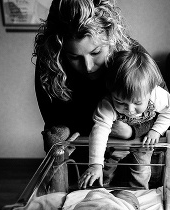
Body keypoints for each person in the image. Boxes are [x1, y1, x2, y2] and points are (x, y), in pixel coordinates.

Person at [34, 0, 149, 152]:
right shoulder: (50, 63)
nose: (88, 66)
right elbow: (53, 120)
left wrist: (131, 132)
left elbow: (162, 112)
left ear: (111, 37)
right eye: (74, 57)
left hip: (126, 151)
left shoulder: (133, 57)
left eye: (96, 52)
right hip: (79, 151)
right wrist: (59, 139)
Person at [78, 47, 170, 189]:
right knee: (107, 167)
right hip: (116, 144)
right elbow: (99, 132)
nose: (130, 110)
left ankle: (139, 193)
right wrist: (95, 164)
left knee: (142, 170)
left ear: (150, 91)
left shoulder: (157, 95)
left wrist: (156, 130)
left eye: (137, 103)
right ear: (111, 92)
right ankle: (103, 187)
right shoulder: (107, 104)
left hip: (143, 143)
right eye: (120, 102)